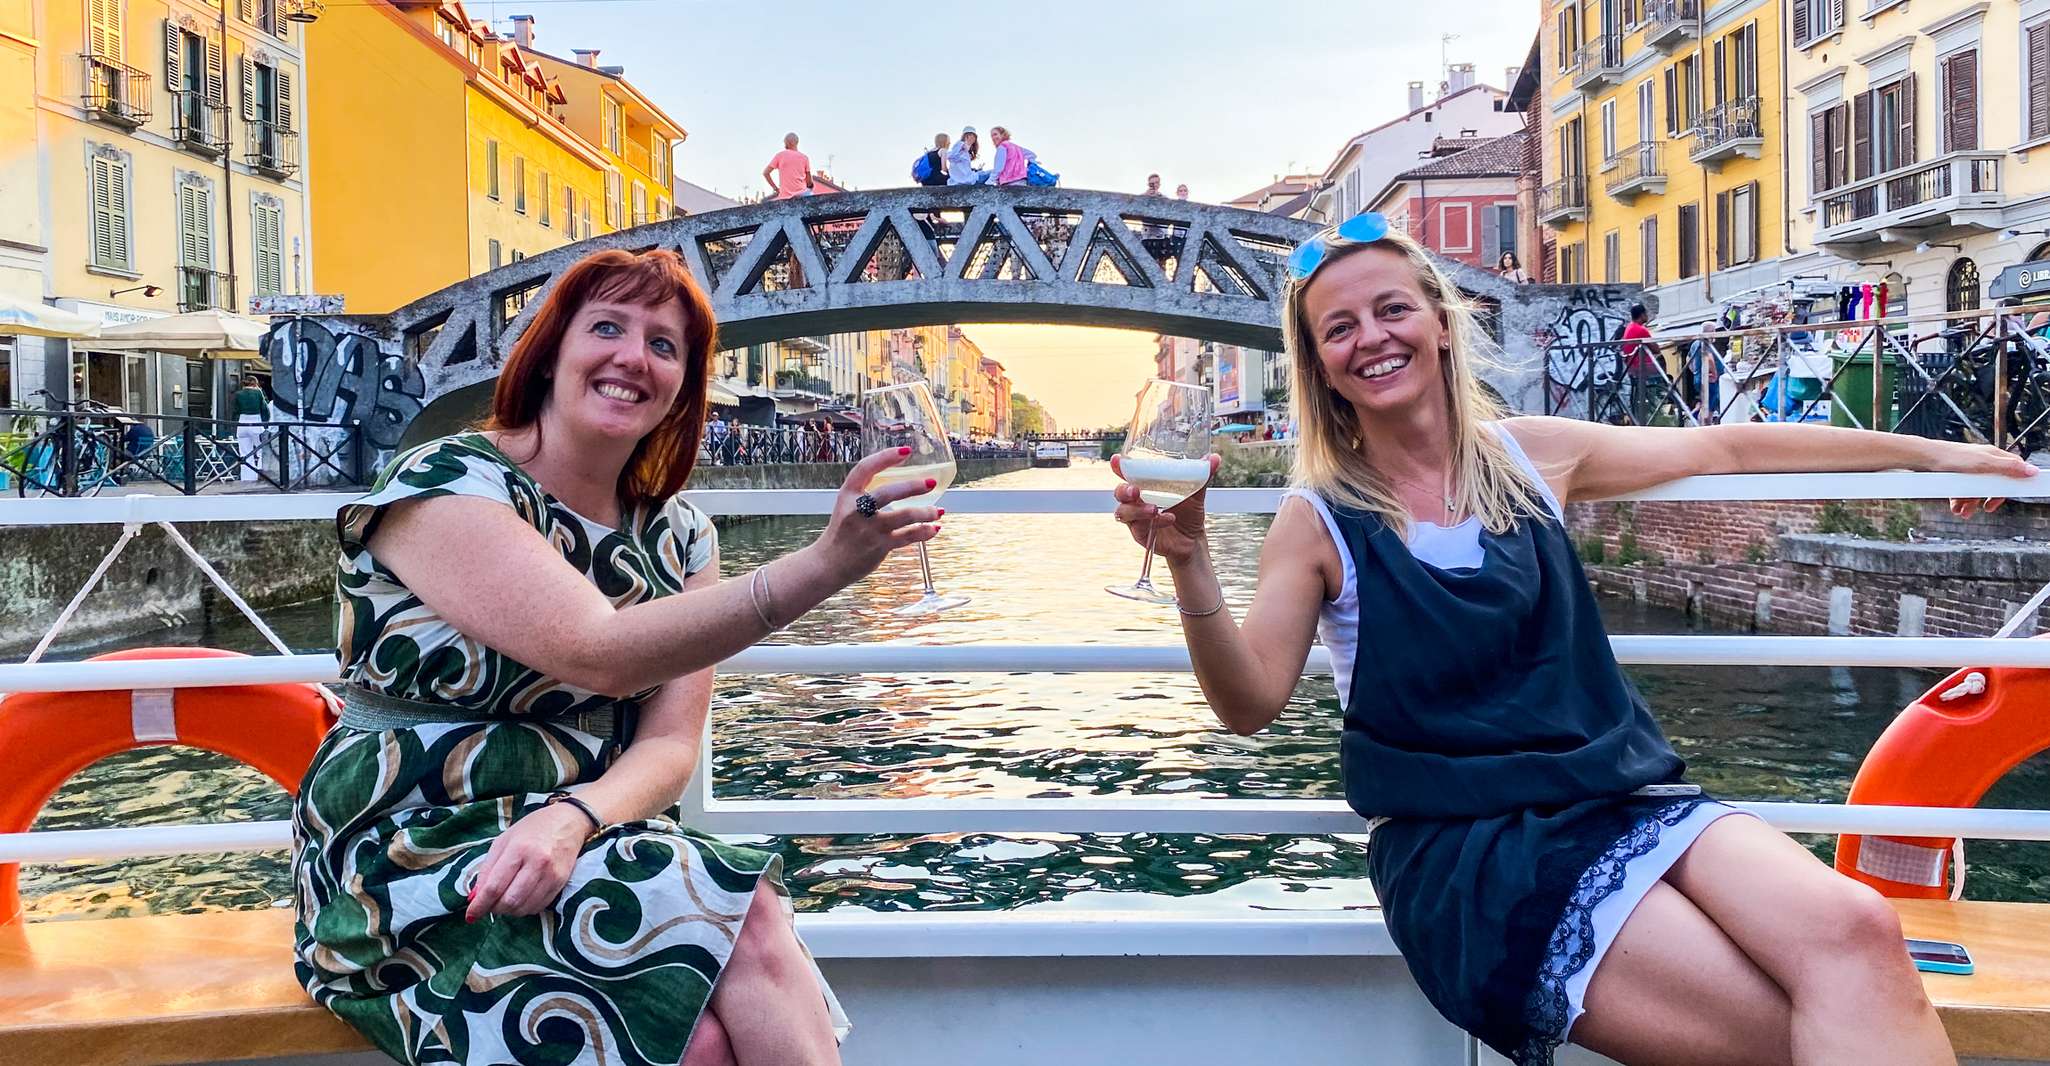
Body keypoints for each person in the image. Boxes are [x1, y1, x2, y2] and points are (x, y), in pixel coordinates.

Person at [1108, 213, 2032, 1066]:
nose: (1372, 338)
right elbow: (1249, 703)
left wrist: (1934, 453)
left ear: (1437, 321)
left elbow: (1729, 450)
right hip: (1471, 852)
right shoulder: (1317, 520)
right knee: (1784, 1025)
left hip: (1623, 796)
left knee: (1860, 933)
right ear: (1319, 364)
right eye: (1339, 328)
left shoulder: (1534, 456)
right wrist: (1189, 564)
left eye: (1392, 309)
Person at [294, 248, 948, 1066]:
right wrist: (823, 568)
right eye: (607, 327)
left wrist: (576, 817)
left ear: (682, 385)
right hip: (411, 853)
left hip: (585, 835)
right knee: (744, 919)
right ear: (550, 353)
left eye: (664, 346)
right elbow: (595, 653)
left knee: (708, 1033)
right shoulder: (446, 483)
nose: (633, 358)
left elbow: (671, 743)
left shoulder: (679, 534)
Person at [1619, 304, 1663, 425]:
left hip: (1632, 367)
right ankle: (1656, 414)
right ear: (1642, 315)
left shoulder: (1629, 327)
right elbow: (1656, 349)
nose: (1647, 316)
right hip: (1641, 367)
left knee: (1642, 395)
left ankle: (1643, 416)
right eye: (1646, 313)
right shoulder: (1641, 329)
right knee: (1662, 380)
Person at [233, 373, 267, 483]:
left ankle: (247, 477)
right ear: (255, 384)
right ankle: (261, 473)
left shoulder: (238, 394)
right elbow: (264, 408)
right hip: (256, 421)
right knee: (261, 448)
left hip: (242, 422)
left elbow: (235, 410)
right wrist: (266, 423)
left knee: (244, 452)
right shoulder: (258, 393)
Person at [763, 132, 814, 200]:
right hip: (802, 194)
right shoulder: (804, 158)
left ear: (786, 143)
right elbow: (809, 182)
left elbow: (765, 173)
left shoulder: (780, 155)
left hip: (785, 196)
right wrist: (810, 186)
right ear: (797, 142)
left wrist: (776, 188)